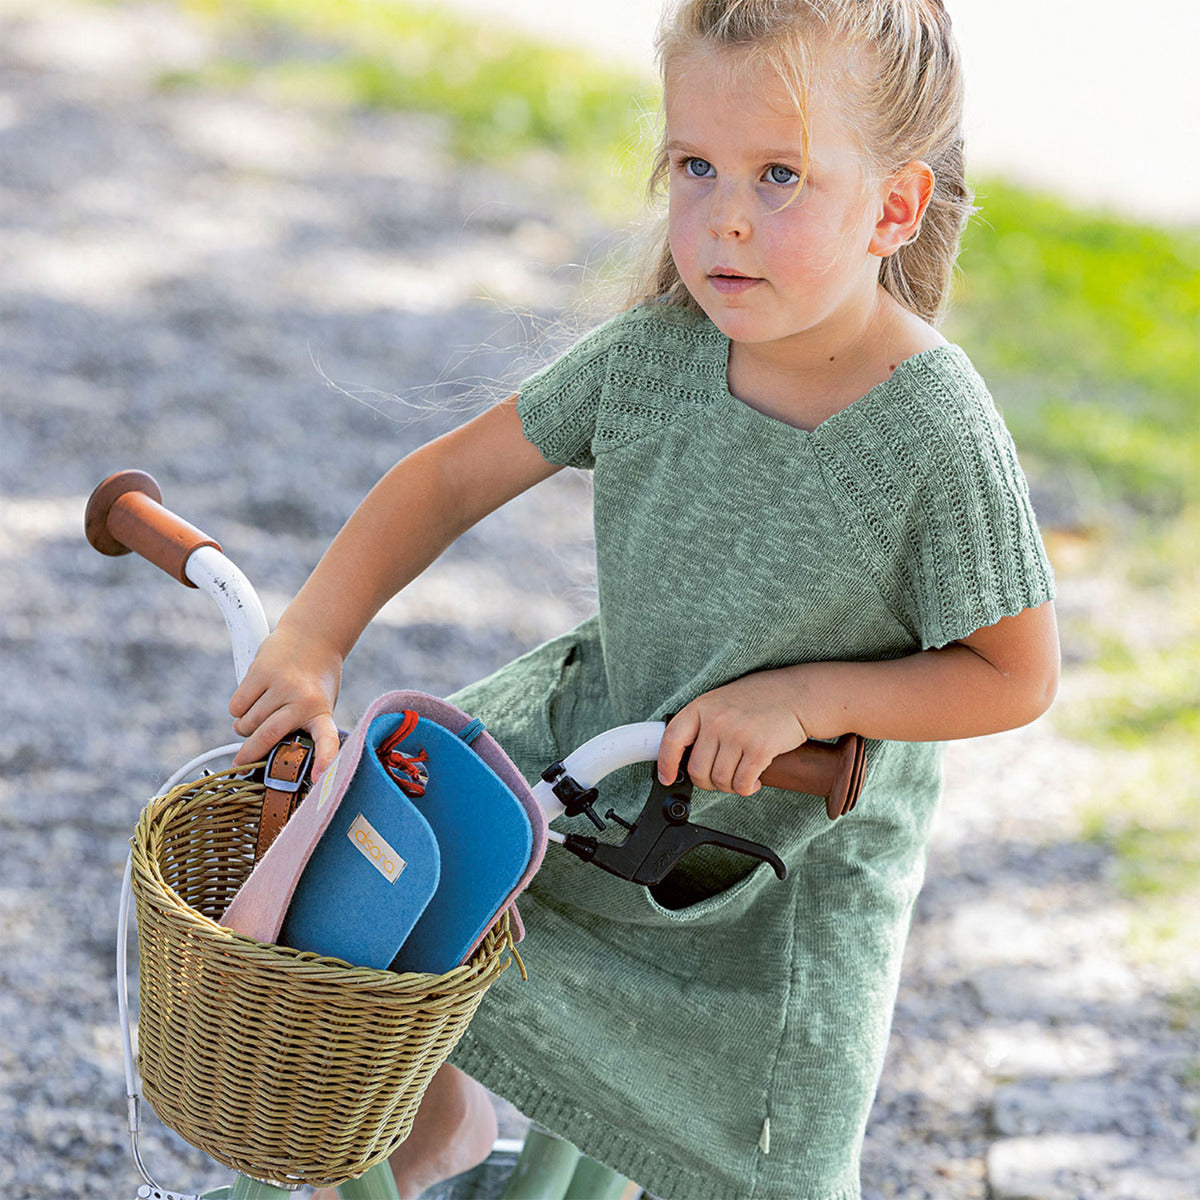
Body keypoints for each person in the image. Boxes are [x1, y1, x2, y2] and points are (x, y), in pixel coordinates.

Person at [230, 1, 1060, 1196]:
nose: (724, 213)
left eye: (781, 174)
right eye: (695, 165)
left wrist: (801, 698)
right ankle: (436, 1119)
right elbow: (454, 477)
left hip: (786, 849)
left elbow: (1016, 674)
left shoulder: (928, 426)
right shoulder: (659, 354)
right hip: (604, 757)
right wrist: (314, 635)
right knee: (355, 889)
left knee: (766, 1154)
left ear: (893, 206)